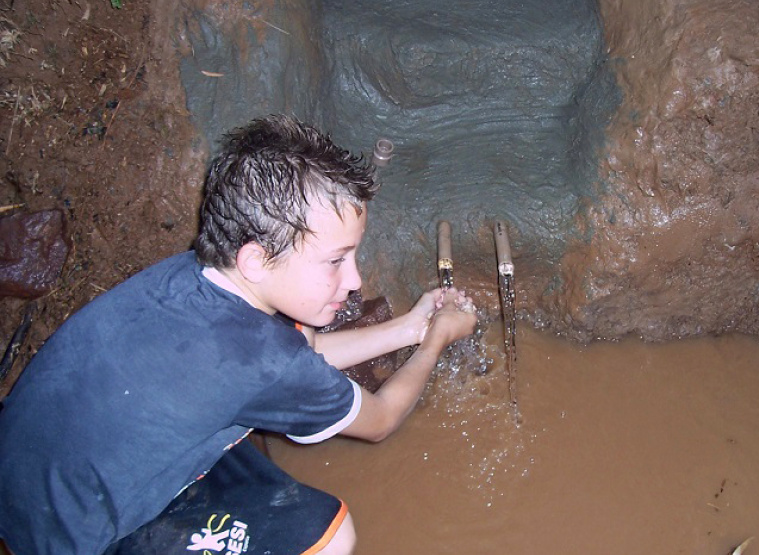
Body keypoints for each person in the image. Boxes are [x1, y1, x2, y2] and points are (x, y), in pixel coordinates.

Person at [0, 115, 477, 555]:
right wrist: (435, 341)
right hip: (65, 538)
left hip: (34, 477)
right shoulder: (261, 359)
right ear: (255, 259)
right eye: (336, 260)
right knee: (329, 537)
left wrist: (412, 327)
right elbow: (380, 419)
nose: (354, 280)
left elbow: (306, 354)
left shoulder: (194, 276)